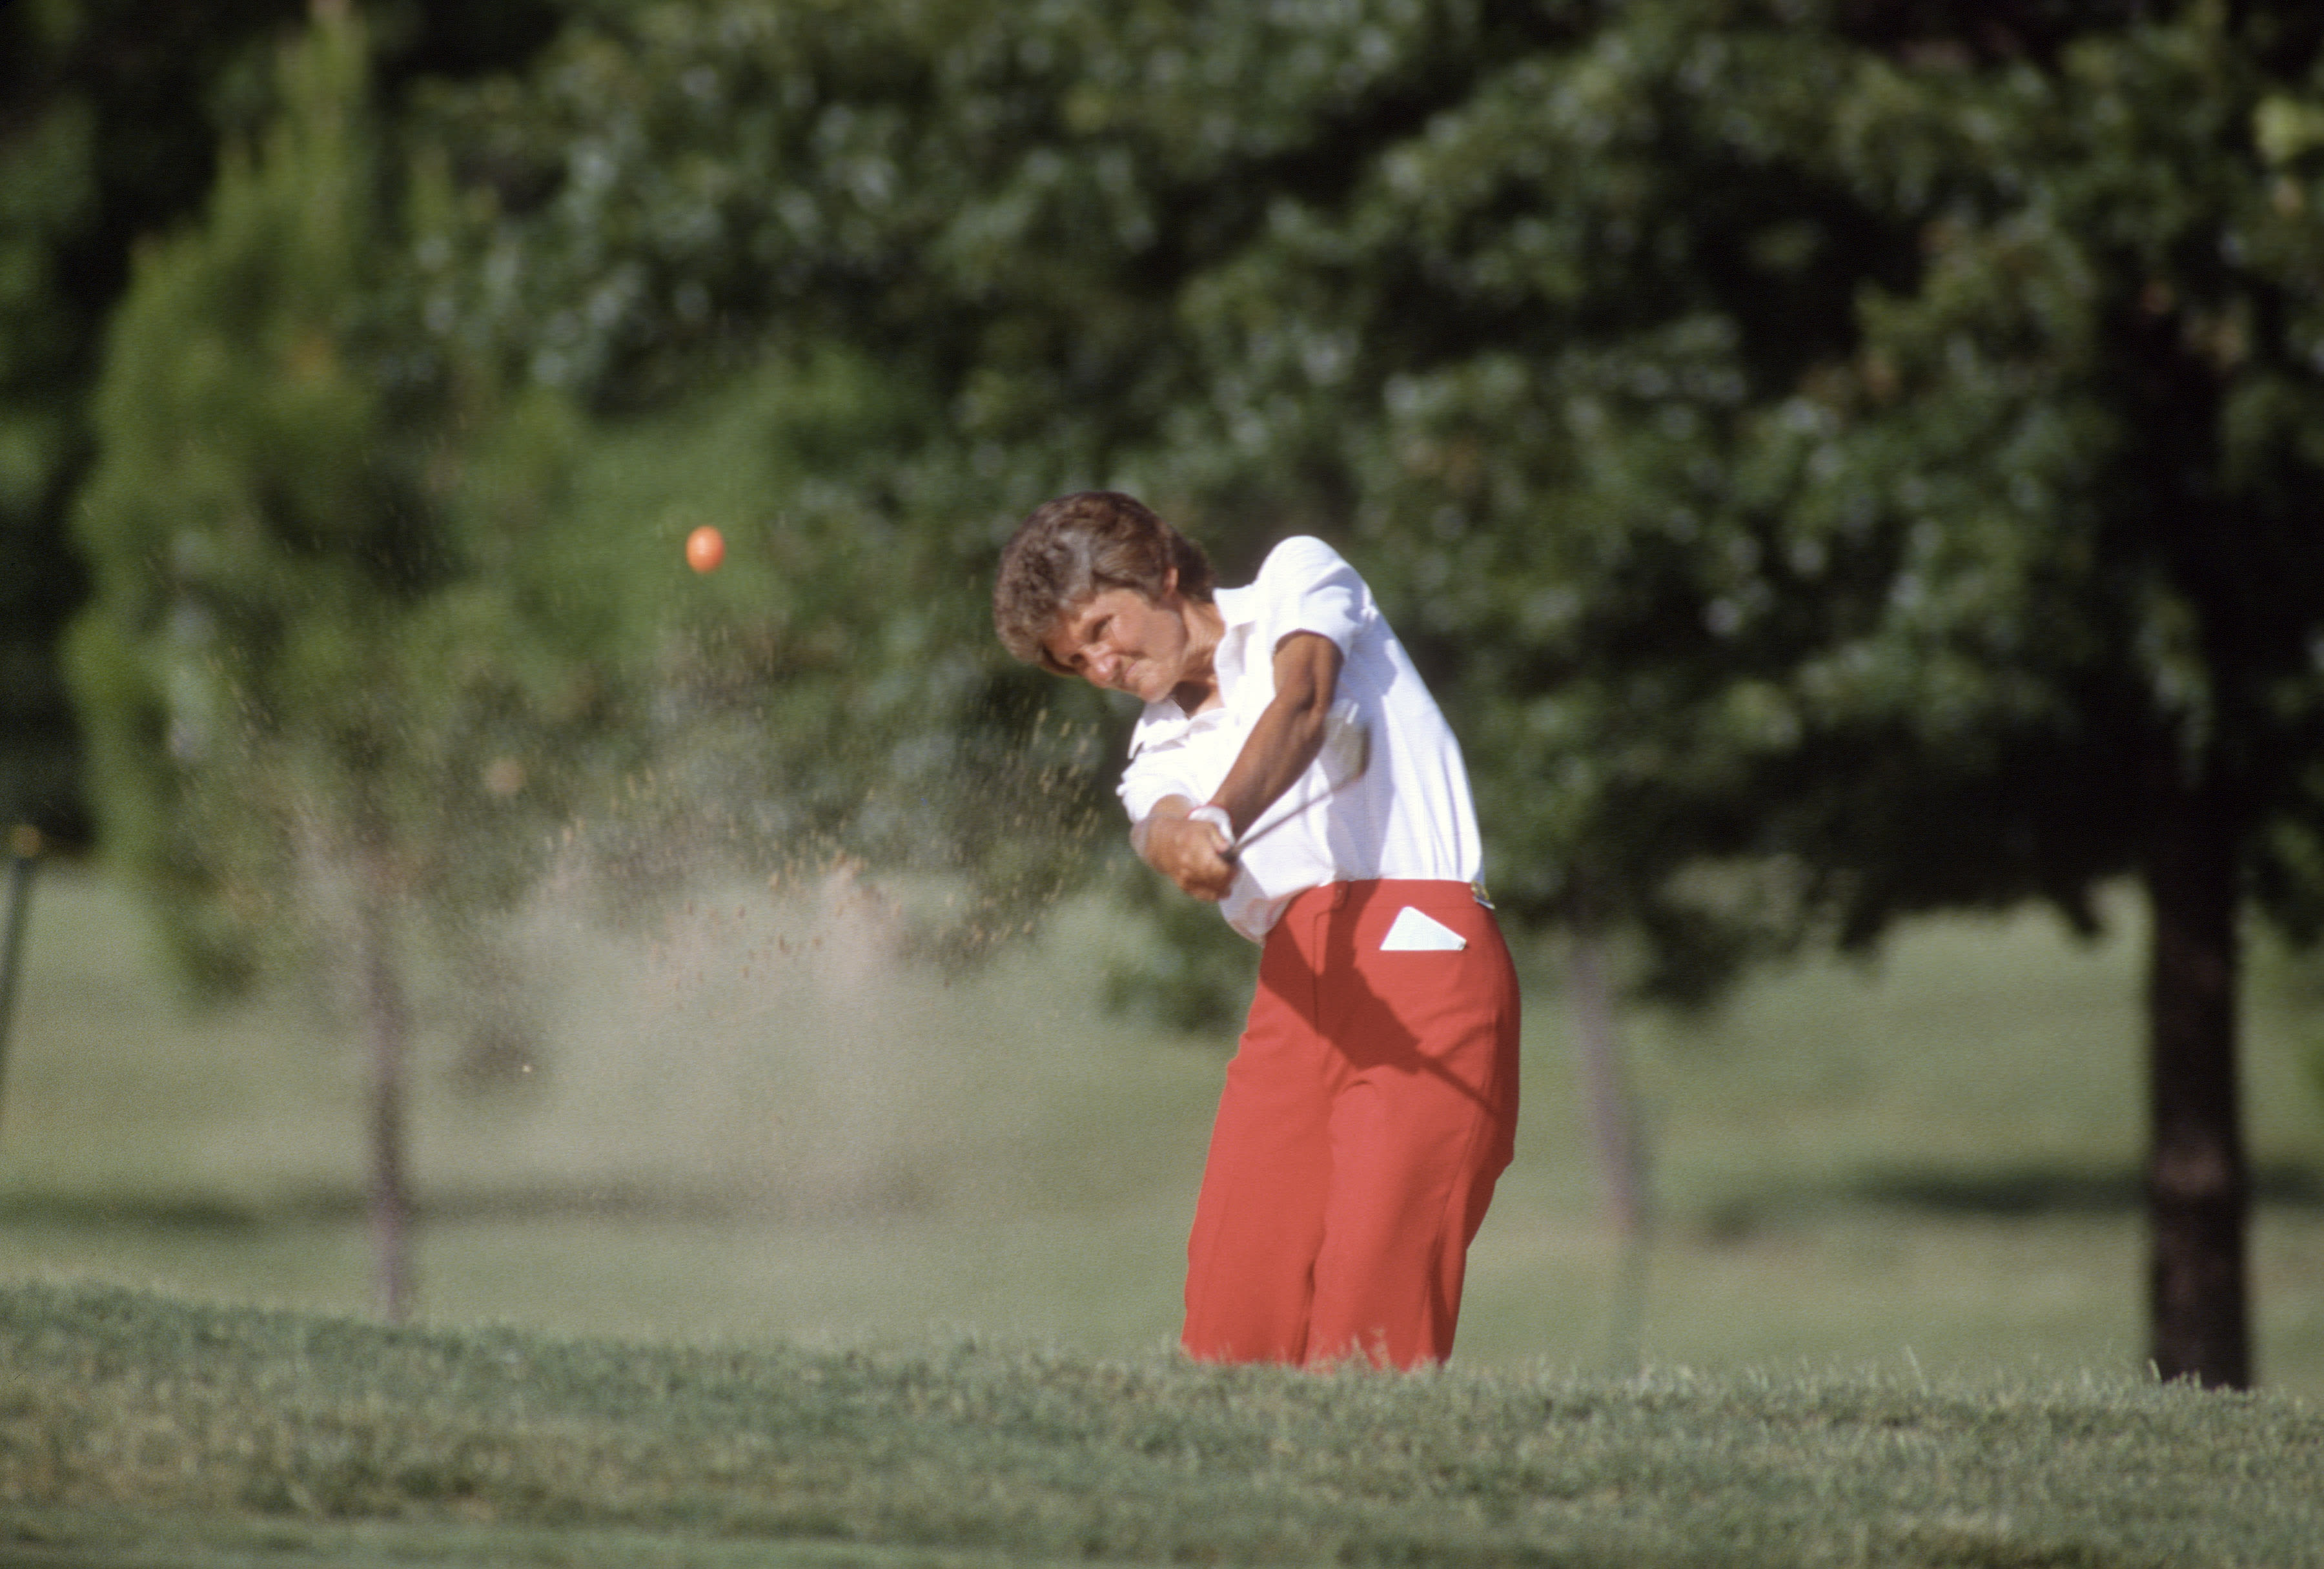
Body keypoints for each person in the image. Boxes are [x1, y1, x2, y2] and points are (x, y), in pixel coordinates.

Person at [993, 491, 1520, 1369]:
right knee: (1233, 1321)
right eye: (1072, 657)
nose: (1099, 663)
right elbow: (1153, 822)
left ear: (1158, 573)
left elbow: (1304, 703)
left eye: (1100, 626)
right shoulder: (1158, 743)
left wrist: (1223, 820)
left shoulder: (1297, 577)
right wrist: (1179, 841)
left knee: (1371, 1320)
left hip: (1422, 946)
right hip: (1294, 990)